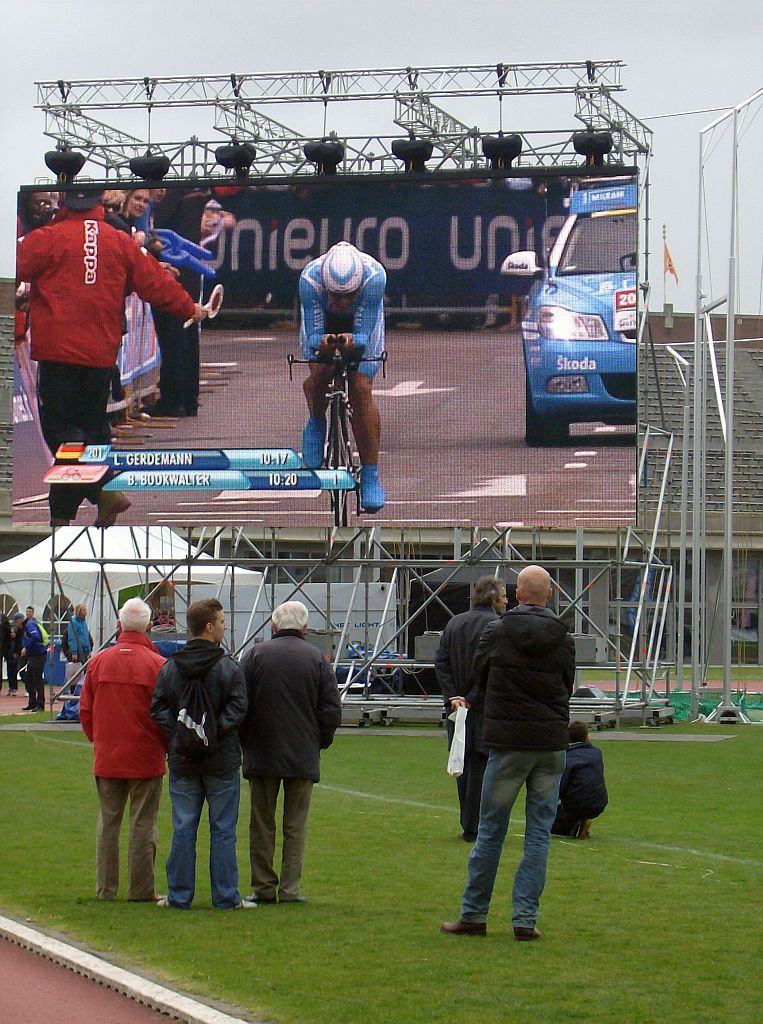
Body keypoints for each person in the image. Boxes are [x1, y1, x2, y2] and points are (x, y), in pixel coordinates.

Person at [15, 187, 207, 527]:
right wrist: (189, 306)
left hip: (58, 354)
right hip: (101, 356)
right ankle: (65, 516)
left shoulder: (47, 238)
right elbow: (156, 283)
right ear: (98, 202)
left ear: (65, 201)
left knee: (67, 438)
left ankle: (101, 491)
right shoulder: (117, 240)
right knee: (91, 434)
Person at [441, 564, 575, 941]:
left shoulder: (496, 633)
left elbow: (479, 679)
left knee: (490, 831)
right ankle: (524, 919)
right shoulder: (563, 637)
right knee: (538, 835)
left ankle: (474, 914)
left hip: (507, 741)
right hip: (549, 744)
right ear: (549, 594)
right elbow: (568, 683)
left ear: (517, 595)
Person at [150, 598, 252, 910]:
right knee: (222, 831)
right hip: (220, 759)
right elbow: (239, 706)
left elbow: (157, 708)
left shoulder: (171, 668)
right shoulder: (228, 667)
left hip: (184, 759)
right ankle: (225, 896)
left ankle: (179, 896)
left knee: (183, 829)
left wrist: (184, 734)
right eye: (221, 621)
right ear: (208, 627)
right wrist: (214, 731)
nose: (225, 626)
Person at [240, 601, 342, 905]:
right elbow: (331, 710)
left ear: (273, 625)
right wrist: (319, 741)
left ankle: (262, 887)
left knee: (261, 823)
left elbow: (240, 704)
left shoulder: (254, 655)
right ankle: (289, 889)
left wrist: (247, 741)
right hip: (302, 752)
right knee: (295, 825)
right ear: (305, 628)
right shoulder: (317, 659)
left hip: (261, 751)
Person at [78, 598, 167, 902]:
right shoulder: (157, 665)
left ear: (119, 625)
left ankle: (106, 888)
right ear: (149, 627)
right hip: (145, 755)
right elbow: (166, 715)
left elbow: (85, 709)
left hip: (109, 755)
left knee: (108, 825)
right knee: (143, 825)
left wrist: (99, 740)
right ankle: (141, 890)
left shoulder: (100, 661)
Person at [298, 241, 387, 513]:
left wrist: (354, 340)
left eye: (349, 295)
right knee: (320, 371)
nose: (343, 302)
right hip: (322, 322)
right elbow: (314, 335)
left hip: (362, 326)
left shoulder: (375, 277)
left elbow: (363, 334)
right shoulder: (309, 280)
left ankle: (371, 474)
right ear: (325, 286)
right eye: (336, 296)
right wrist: (321, 343)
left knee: (361, 388)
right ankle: (316, 421)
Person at [434, 576, 508, 841]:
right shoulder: (497, 626)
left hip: (457, 708)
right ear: (492, 598)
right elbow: (490, 668)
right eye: (503, 595)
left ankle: (468, 821)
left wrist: (453, 695)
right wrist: (472, 697)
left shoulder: (454, 623)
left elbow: (441, 662)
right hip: (485, 707)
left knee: (461, 762)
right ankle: (475, 825)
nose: (507, 600)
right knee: (481, 763)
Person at [551, 721, 608, 839]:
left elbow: (561, 785)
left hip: (575, 804)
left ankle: (577, 826)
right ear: (587, 736)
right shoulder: (597, 753)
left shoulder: (567, 757)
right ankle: (581, 820)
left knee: (541, 824)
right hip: (599, 802)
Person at [20, 607, 47, 712]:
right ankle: (33, 703)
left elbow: (36, 637)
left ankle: (40, 704)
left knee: (37, 679)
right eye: (27, 611)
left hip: (38, 655)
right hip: (34, 655)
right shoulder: (29, 625)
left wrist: (26, 647)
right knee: (29, 678)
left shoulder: (30, 624)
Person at [5, 612, 25, 697]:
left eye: (13, 632)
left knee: (15, 673)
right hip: (9, 659)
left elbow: (18, 647)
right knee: (9, 673)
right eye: (11, 632)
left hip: (16, 659)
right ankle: (11, 687)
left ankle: (15, 688)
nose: (12, 634)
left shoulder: (17, 641)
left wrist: (16, 653)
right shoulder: (8, 641)